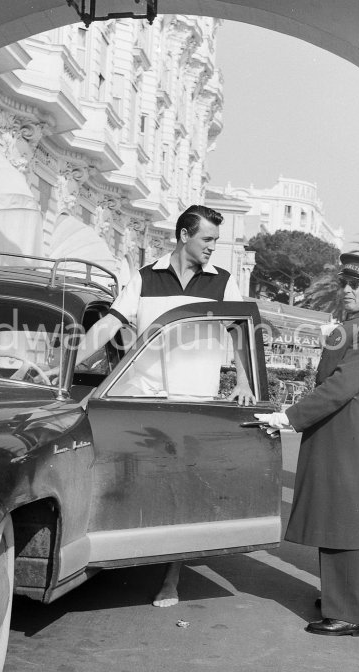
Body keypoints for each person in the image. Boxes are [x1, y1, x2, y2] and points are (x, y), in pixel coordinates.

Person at [75, 204, 256, 607]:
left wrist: (244, 379)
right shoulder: (144, 278)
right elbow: (109, 324)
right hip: (139, 397)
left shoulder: (223, 283)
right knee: (128, 481)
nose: (212, 247)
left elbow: (241, 330)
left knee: (180, 492)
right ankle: (117, 557)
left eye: (215, 240)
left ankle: (170, 580)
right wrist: (70, 361)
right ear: (183, 236)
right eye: (207, 239)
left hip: (192, 402)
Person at [256, 251, 359, 636]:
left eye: (357, 284)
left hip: (348, 425)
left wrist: (290, 416)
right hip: (342, 425)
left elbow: (341, 386)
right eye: (344, 283)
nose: (347, 289)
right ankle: (341, 596)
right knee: (336, 514)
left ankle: (349, 613)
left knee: (345, 519)